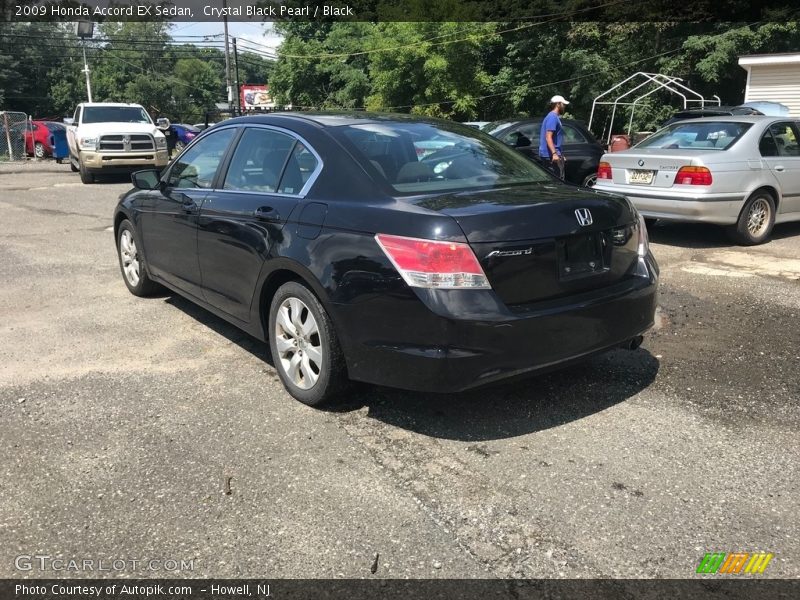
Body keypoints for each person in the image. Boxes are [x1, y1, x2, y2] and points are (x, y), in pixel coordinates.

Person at [538, 94, 569, 179]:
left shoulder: (554, 117)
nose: (564, 106)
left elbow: (555, 139)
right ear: (558, 104)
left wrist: (561, 154)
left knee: (557, 180)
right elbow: (548, 137)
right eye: (563, 104)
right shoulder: (552, 117)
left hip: (553, 154)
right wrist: (554, 154)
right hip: (550, 156)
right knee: (556, 181)